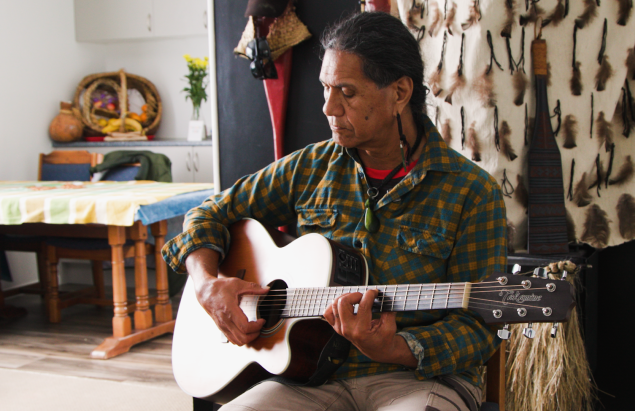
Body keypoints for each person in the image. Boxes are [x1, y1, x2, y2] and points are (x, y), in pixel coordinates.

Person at [162, 11, 507, 411]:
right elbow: (207, 214)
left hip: (418, 380)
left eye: (346, 91)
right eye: (326, 88)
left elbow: (479, 329)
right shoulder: (310, 167)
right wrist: (206, 284)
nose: (328, 107)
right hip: (307, 378)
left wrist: (395, 347)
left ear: (399, 93)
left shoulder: (472, 192)